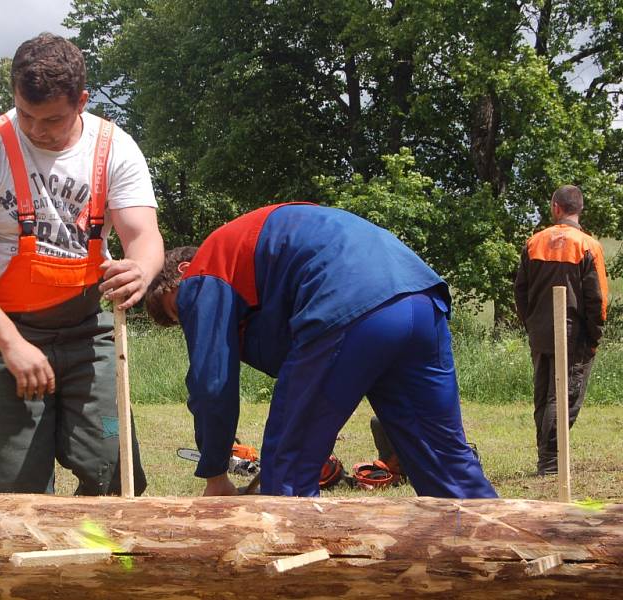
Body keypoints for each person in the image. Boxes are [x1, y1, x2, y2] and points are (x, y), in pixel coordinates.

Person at [0, 33, 163, 496]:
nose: (37, 130)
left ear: (82, 100)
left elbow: (145, 237)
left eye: (52, 119)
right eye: (26, 115)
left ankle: (94, 562)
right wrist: (12, 345)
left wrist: (141, 268)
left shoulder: (113, 148)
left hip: (86, 332)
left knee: (116, 470)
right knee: (15, 488)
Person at [144, 203, 497, 499]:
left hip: (348, 301)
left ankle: (291, 579)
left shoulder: (204, 269)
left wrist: (215, 475)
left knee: (289, 468)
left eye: (181, 311)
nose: (191, 323)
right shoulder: (256, 254)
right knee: (445, 462)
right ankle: (499, 557)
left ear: (182, 271)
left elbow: (212, 383)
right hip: (418, 295)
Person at [514, 185, 608, 476]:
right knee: (564, 398)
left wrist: (530, 324)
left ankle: (546, 459)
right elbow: (598, 299)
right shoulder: (589, 246)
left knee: (543, 397)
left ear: (556, 208)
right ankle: (551, 464)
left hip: (541, 334)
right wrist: (594, 336)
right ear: (579, 210)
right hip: (574, 336)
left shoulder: (534, 243)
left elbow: (521, 292)